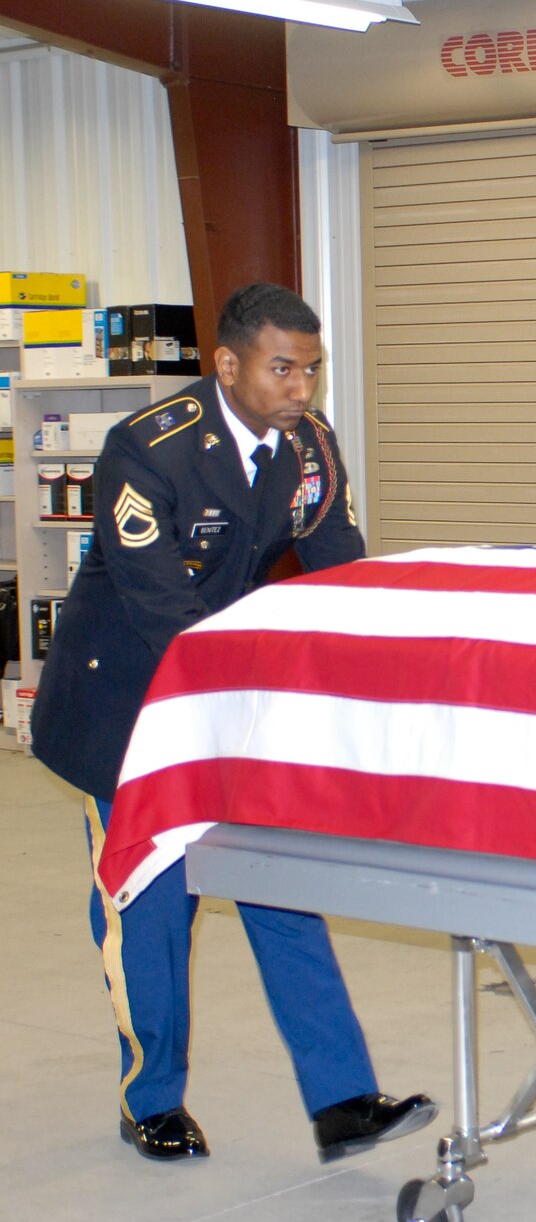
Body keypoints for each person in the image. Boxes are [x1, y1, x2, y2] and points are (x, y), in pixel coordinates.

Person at [31, 283, 435, 1162]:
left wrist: (379, 677)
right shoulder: (148, 449)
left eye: (312, 371)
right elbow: (164, 607)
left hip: (229, 691)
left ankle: (342, 1100)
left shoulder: (312, 449)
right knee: (154, 902)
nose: (301, 389)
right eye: (282, 368)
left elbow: (341, 578)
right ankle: (153, 1100)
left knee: (279, 884)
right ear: (227, 364)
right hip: (129, 702)